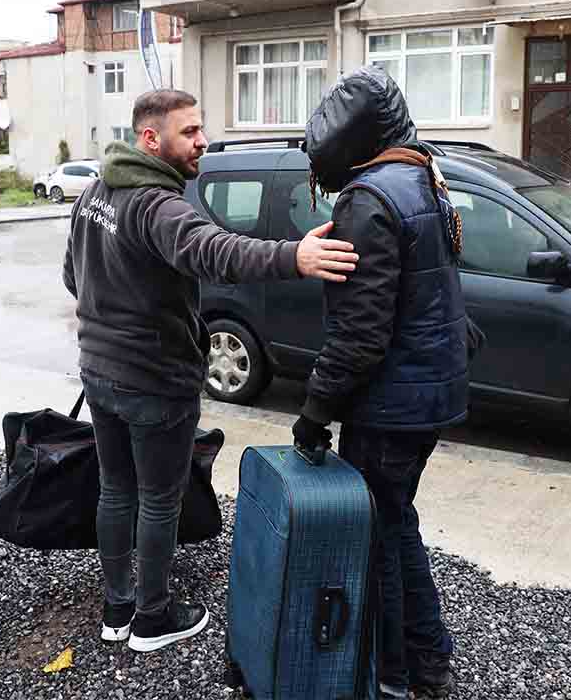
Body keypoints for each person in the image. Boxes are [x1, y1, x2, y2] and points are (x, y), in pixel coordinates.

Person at [62, 89, 360, 653]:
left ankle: (116, 607)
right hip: (155, 380)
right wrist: (291, 257)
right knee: (157, 499)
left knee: (117, 489)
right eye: (189, 132)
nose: (202, 141)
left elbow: (73, 277)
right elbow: (213, 251)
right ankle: (151, 619)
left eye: (201, 129)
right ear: (150, 139)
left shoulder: (97, 191)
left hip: (98, 372)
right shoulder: (158, 206)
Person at [292, 66, 480, 699]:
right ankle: (430, 664)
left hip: (390, 403)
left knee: (381, 539)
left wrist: (315, 411)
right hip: (429, 390)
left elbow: (361, 331)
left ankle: (394, 677)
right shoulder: (423, 175)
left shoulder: (370, 198)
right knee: (398, 523)